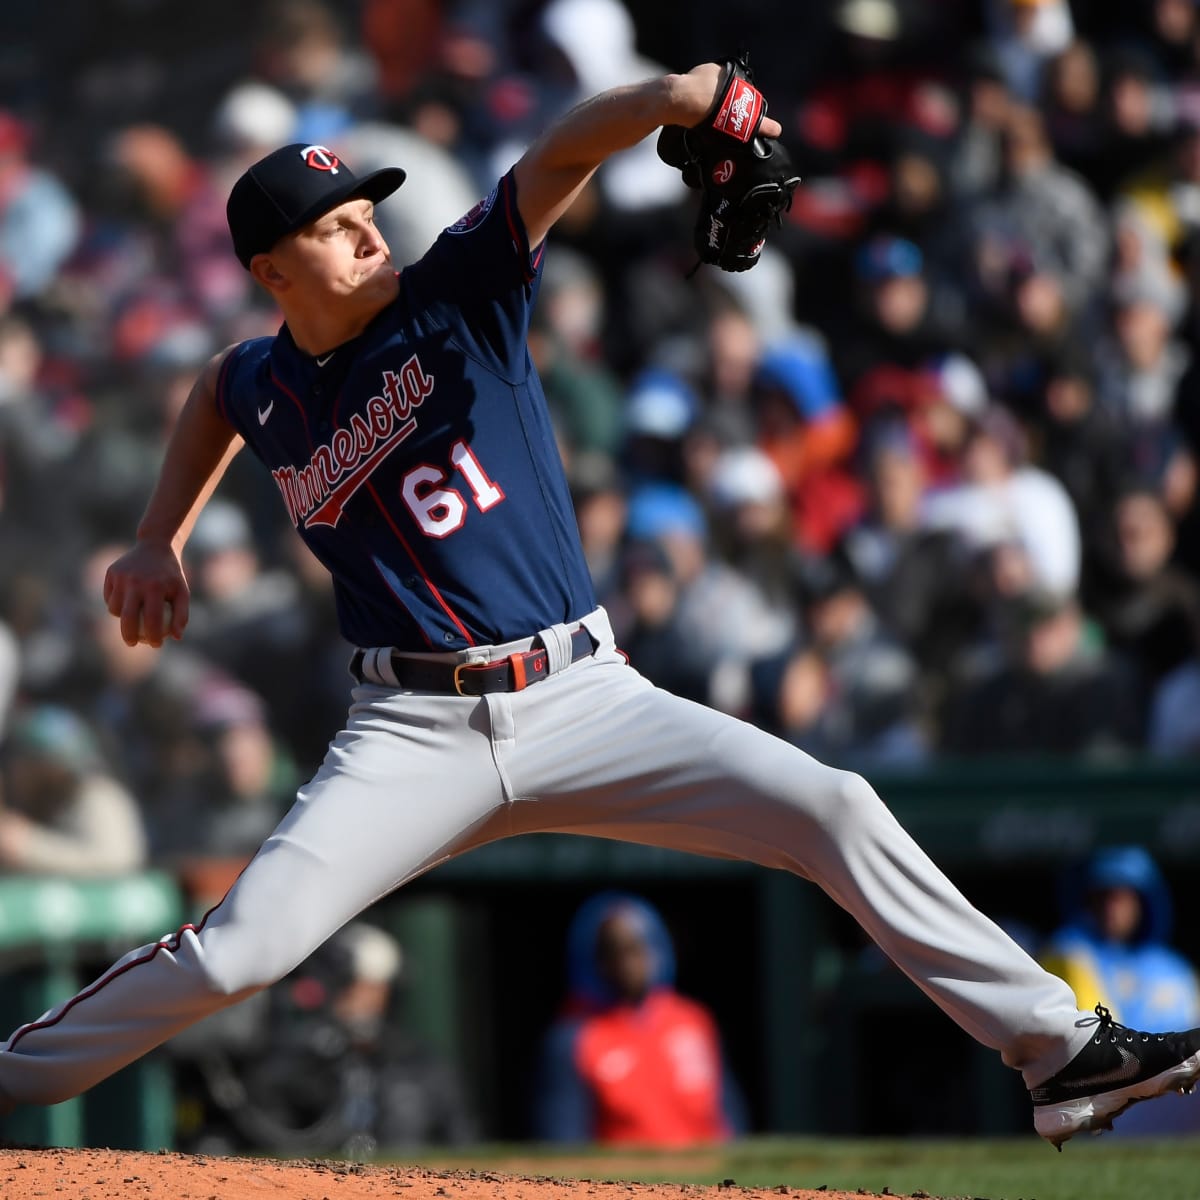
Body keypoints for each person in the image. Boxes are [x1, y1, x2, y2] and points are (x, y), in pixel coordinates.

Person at [1, 60, 1198, 1151]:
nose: (371, 234)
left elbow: (557, 157)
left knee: (834, 804)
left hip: (583, 695)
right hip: (408, 732)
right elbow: (217, 389)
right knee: (240, 952)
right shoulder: (268, 381)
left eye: (370, 213)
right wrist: (159, 536)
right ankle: (13, 1078)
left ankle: (1058, 1052)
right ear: (272, 271)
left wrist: (671, 101)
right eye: (338, 226)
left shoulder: (455, 294)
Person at [532, 891, 745, 1146]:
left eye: (638, 947)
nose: (630, 962)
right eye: (616, 951)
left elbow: (729, 1119)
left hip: (706, 1177)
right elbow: (564, 1141)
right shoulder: (574, 1037)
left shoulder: (694, 1020)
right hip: (628, 1181)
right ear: (598, 959)